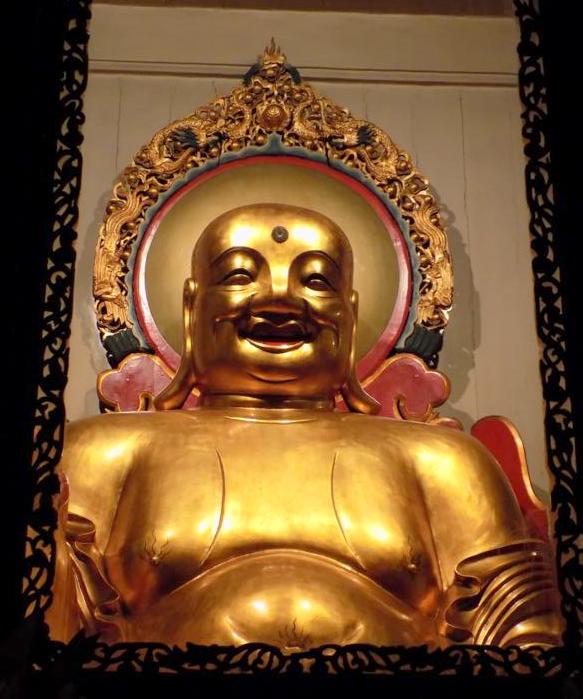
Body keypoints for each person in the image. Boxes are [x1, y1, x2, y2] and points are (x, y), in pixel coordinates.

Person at [49, 203, 561, 650]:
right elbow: (48, 626)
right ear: (191, 309)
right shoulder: (105, 451)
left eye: (315, 280)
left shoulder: (444, 461)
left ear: (350, 316)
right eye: (239, 275)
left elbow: (521, 628)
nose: (279, 300)